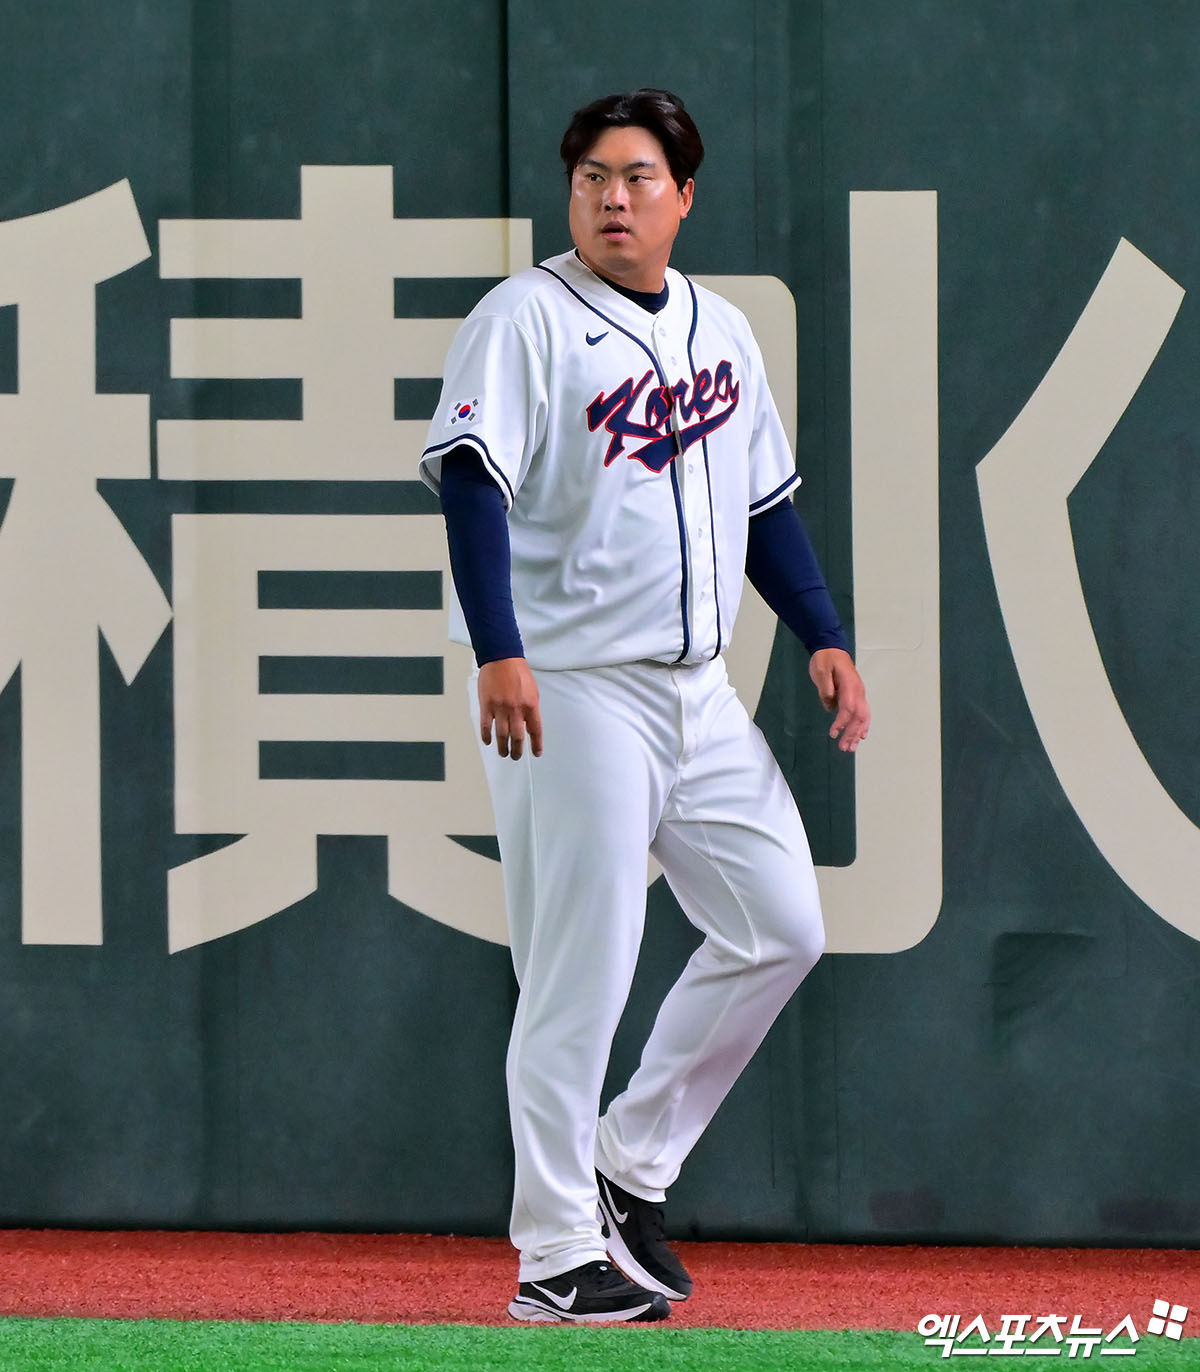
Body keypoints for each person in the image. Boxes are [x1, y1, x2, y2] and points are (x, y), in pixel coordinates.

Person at [419, 88, 869, 1324]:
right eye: (592, 179)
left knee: (782, 925)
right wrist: (498, 649)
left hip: (697, 692)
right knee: (581, 972)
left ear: (684, 197)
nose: (612, 199)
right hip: (569, 687)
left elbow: (764, 504)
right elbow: (471, 480)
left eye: (637, 178)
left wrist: (824, 633)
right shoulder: (525, 317)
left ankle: (628, 1166)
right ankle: (555, 1250)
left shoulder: (723, 329)